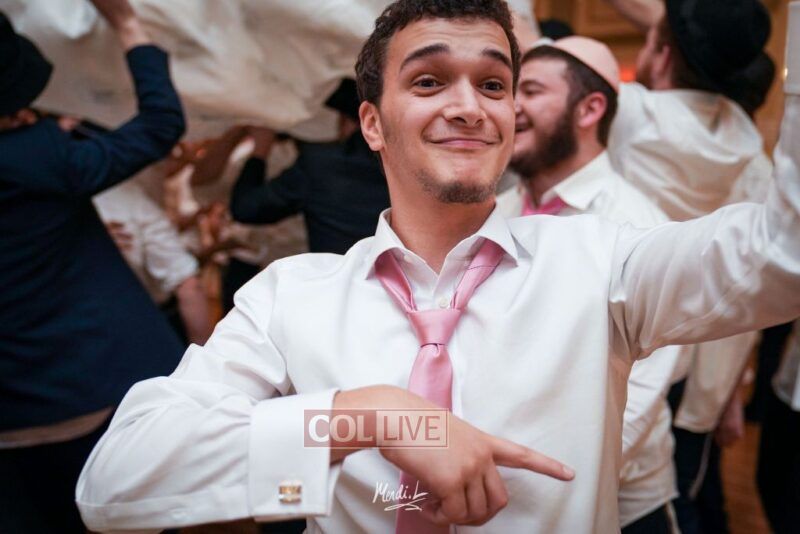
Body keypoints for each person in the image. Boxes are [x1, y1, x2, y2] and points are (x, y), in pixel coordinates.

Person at [77, 1, 800, 532]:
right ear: (371, 123)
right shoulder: (291, 296)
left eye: (494, 85)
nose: (469, 107)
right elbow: (117, 480)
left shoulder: (603, 261)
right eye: (428, 82)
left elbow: (782, 255)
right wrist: (372, 417)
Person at [0, 0, 185, 532]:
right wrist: (128, 26)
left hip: (12, 412)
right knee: (137, 519)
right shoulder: (37, 155)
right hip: (86, 388)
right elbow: (160, 124)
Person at [604, 2, 774, 531]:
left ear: (661, 54)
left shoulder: (632, 116)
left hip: (629, 333)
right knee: (685, 487)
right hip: (699, 351)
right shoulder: (746, 143)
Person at [498, 37, 680, 533]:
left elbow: (642, 391)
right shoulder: (499, 213)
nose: (511, 106)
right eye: (510, 91)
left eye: (531, 91)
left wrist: (551, 485)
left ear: (589, 109)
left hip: (619, 498)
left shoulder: (637, 225)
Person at [230, 79, 391, 255]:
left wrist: (259, 151)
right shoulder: (399, 161)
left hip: (339, 270)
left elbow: (246, 208)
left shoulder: (320, 165)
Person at [93, 179, 213, 345]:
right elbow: (188, 284)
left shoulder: (124, 196)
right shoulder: (124, 196)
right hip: (138, 323)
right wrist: (204, 356)